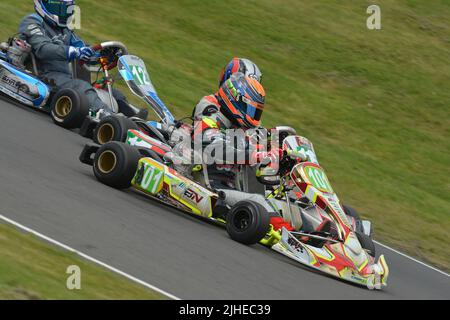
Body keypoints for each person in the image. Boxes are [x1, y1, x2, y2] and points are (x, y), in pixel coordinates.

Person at [178, 68, 294, 232]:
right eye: (252, 110)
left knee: (287, 200)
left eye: (257, 111)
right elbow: (213, 146)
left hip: (233, 185)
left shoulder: (244, 129)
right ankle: (286, 233)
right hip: (207, 184)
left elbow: (256, 151)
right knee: (257, 201)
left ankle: (320, 231)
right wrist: (255, 154)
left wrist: (278, 155)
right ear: (236, 101)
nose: (254, 116)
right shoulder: (212, 118)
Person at [18, 0, 146, 118]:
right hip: (45, 76)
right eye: (58, 8)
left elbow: (84, 50)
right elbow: (43, 49)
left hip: (64, 79)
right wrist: (73, 52)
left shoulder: (65, 31)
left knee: (111, 91)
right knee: (81, 86)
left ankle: (135, 120)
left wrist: (103, 56)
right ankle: (108, 117)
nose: (62, 13)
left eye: (65, 9)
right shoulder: (32, 21)